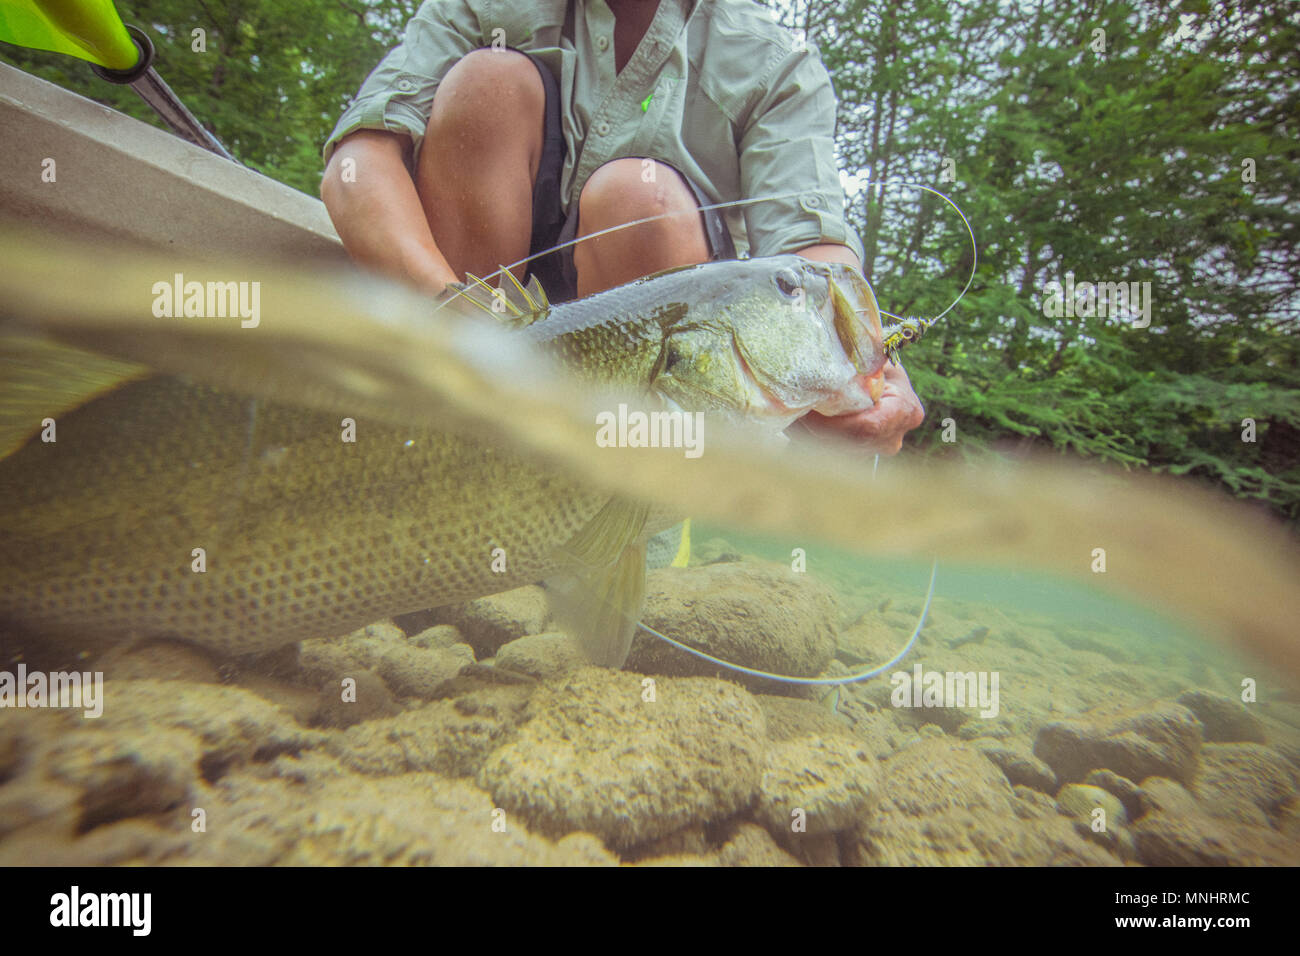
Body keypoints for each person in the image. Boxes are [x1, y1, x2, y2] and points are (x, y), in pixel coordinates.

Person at [321, 0, 923, 454]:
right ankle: (447, 437)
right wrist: (460, 316)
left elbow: (812, 259)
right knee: (489, 85)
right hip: (469, 317)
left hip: (660, 364)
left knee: (641, 196)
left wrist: (865, 365)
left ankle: (629, 512)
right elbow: (356, 166)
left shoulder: (775, 64)